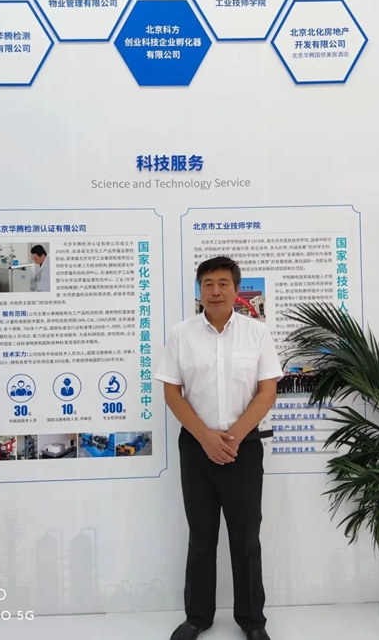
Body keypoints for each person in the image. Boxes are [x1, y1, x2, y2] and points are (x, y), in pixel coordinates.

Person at [155, 257, 283, 640]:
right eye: (207, 283)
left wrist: (234, 436)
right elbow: (172, 394)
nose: (215, 290)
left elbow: (267, 392)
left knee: (246, 539)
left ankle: (252, 622)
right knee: (201, 537)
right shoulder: (182, 334)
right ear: (199, 290)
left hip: (244, 449)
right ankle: (197, 617)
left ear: (236, 290)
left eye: (223, 283)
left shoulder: (256, 334)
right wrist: (206, 437)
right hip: (197, 449)